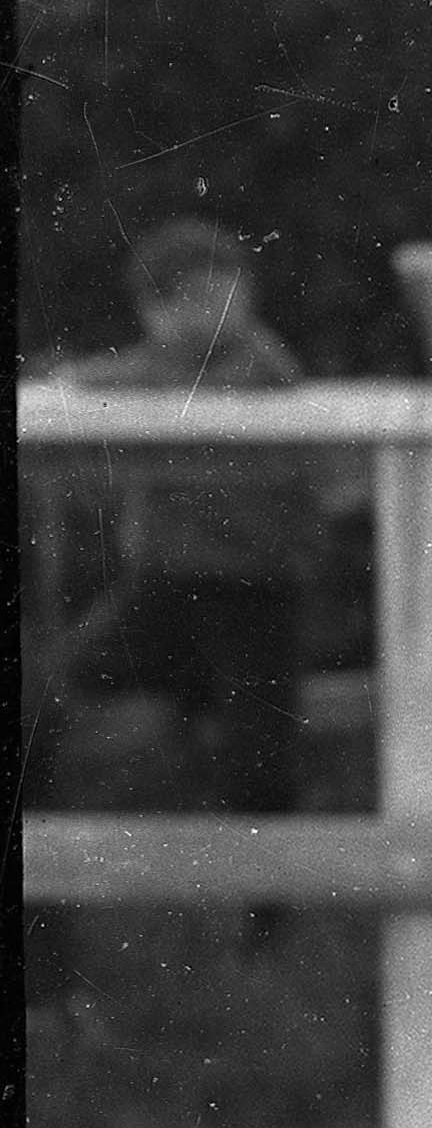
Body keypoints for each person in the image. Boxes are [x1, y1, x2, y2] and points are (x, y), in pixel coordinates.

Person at [50, 222, 324, 820]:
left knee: (260, 760)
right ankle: (185, 724)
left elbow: (139, 383)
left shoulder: (262, 365)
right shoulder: (151, 368)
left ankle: (267, 902)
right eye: (198, 297)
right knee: (70, 678)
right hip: (169, 582)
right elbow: (95, 384)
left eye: (232, 293)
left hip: (255, 589)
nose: (223, 311)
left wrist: (81, 384)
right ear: (154, 310)